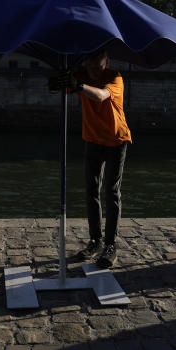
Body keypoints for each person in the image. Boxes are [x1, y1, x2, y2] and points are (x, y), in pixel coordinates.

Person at [51, 50, 132, 268]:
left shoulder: (115, 78)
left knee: (111, 192)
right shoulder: (82, 75)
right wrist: (58, 78)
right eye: (91, 66)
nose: (95, 70)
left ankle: (111, 244)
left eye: (99, 65)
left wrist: (77, 85)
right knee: (91, 191)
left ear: (107, 62)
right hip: (93, 140)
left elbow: (100, 95)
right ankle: (95, 241)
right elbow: (54, 89)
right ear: (86, 63)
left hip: (117, 140)